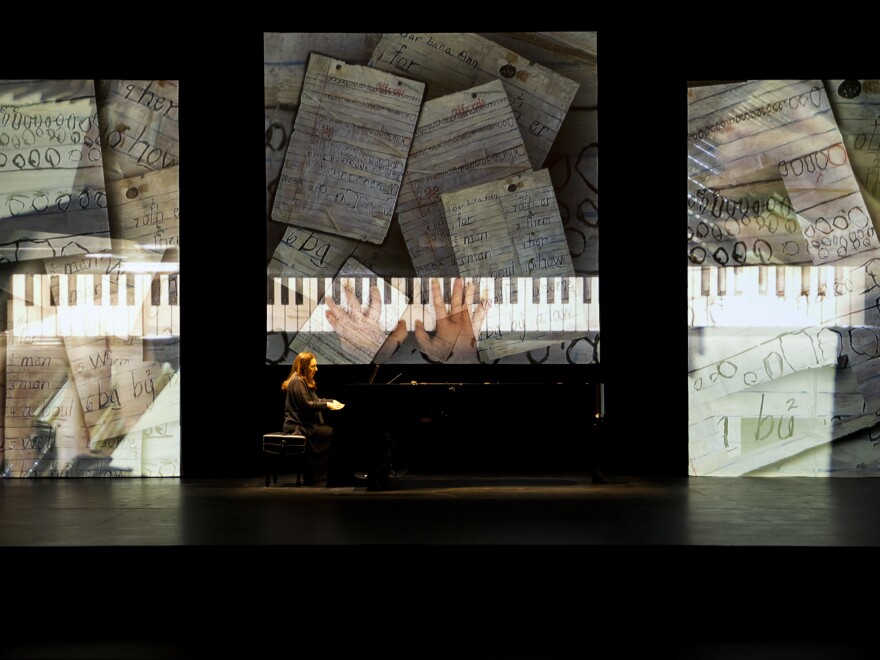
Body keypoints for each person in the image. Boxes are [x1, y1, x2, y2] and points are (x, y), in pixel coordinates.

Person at [281, 351, 349, 486]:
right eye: (313, 366)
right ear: (304, 367)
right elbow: (306, 405)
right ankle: (323, 476)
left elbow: (316, 400)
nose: (316, 369)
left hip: (304, 425)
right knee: (335, 434)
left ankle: (330, 475)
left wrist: (332, 401)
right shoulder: (297, 380)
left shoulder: (302, 381)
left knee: (333, 432)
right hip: (297, 426)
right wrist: (327, 405)